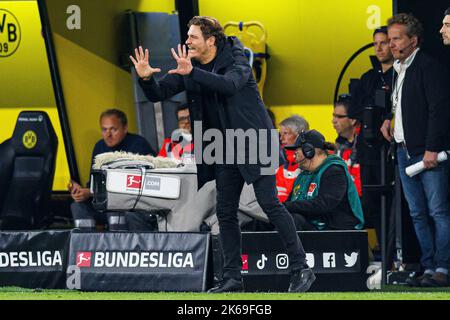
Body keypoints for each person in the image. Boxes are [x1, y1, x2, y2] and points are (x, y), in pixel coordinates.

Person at [130, 15, 315, 293]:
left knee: (269, 203)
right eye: (188, 37)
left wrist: (191, 72)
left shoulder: (237, 58)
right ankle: (232, 280)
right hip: (223, 146)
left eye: (193, 37)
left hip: (254, 141)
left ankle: (301, 269)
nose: (187, 42)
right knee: (225, 211)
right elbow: (160, 92)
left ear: (211, 41)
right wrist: (145, 79)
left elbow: (229, 85)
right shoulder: (188, 65)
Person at [381, 13, 450, 287]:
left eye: (397, 39)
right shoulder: (399, 69)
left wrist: (432, 148)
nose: (391, 45)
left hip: (426, 151)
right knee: (418, 213)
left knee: (438, 211)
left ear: (413, 40)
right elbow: (403, 104)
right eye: (390, 40)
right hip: (403, 150)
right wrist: (389, 118)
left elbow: (438, 110)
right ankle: (429, 266)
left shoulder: (428, 66)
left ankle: (443, 268)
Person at [69, 109, 157, 231]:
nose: (108, 135)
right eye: (104, 130)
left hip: (134, 203)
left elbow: (133, 186)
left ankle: (117, 245)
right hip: (105, 201)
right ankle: (87, 244)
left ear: (125, 128)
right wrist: (82, 191)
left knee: (114, 205)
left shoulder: (138, 145)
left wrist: (91, 192)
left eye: (113, 129)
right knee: (78, 206)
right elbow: (95, 182)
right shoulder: (99, 146)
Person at [349, 26, 395, 247]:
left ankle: (398, 254)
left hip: (391, 150)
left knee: (395, 202)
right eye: (375, 43)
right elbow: (353, 109)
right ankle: (384, 251)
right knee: (371, 202)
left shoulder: (400, 74)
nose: (379, 47)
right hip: (368, 151)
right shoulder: (368, 78)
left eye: (383, 42)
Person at [283, 130, 364, 231]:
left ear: (308, 151)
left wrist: (286, 207)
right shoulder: (303, 176)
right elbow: (289, 203)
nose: (295, 156)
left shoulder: (334, 171)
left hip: (336, 231)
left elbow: (324, 204)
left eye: (297, 152)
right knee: (270, 220)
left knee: (292, 220)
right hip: (315, 228)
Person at [333, 95, 362, 198]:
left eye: (339, 117)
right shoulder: (337, 146)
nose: (334, 121)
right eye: (334, 116)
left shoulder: (364, 148)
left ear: (353, 120)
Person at [277, 115, 309, 202]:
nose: (281, 138)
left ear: (300, 135)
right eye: (281, 134)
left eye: (286, 133)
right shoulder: (277, 159)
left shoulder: (311, 161)